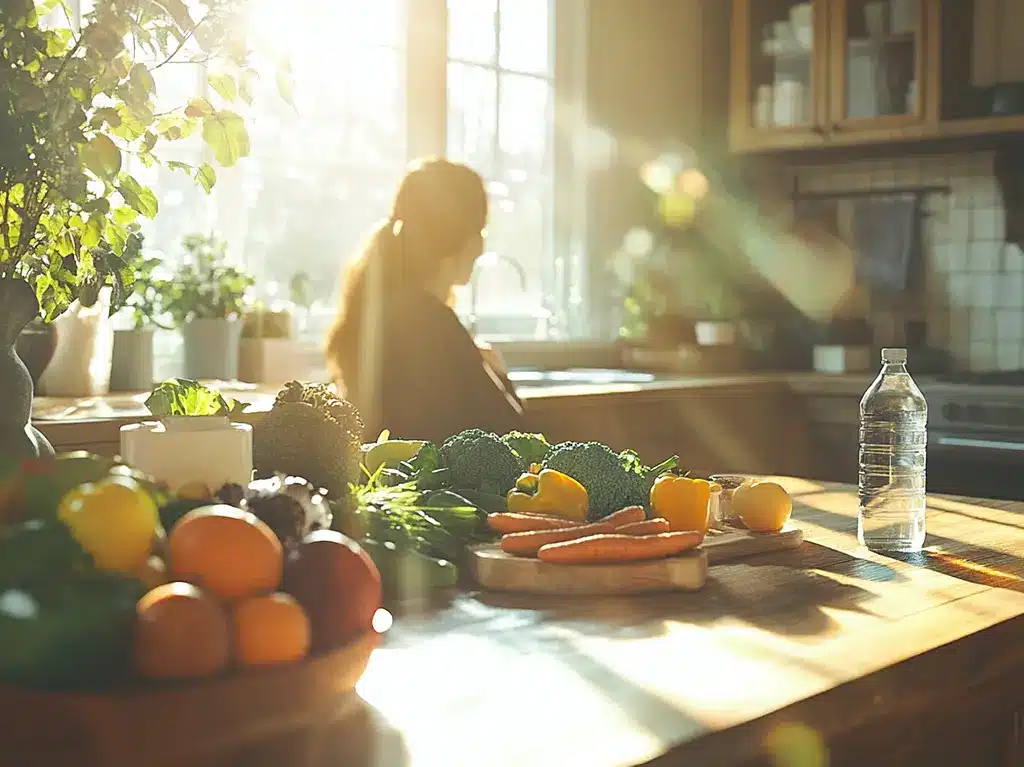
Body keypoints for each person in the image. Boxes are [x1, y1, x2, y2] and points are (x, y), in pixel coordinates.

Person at [325, 158, 525, 444]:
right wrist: (499, 374)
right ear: (471, 242)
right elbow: (514, 440)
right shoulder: (436, 325)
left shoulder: (382, 309)